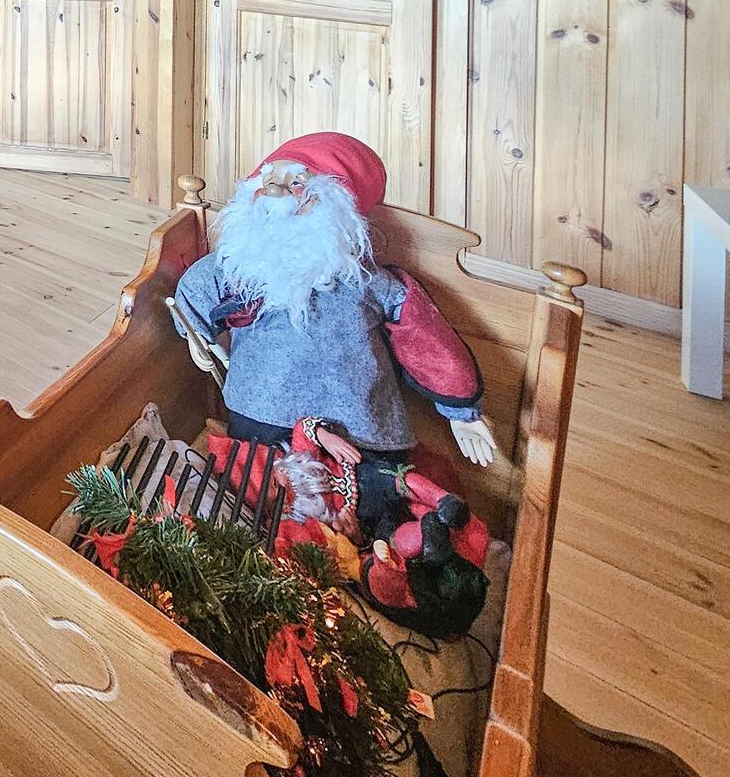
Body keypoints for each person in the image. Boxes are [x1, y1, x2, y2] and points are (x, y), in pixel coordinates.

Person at [172, 133, 496, 526]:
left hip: (358, 427)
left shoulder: (369, 284)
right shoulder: (243, 268)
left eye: (296, 181)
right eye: (268, 179)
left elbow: (423, 336)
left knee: (369, 505)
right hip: (261, 416)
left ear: (337, 204)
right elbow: (197, 289)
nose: (274, 190)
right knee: (255, 489)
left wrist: (460, 409)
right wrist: (195, 333)